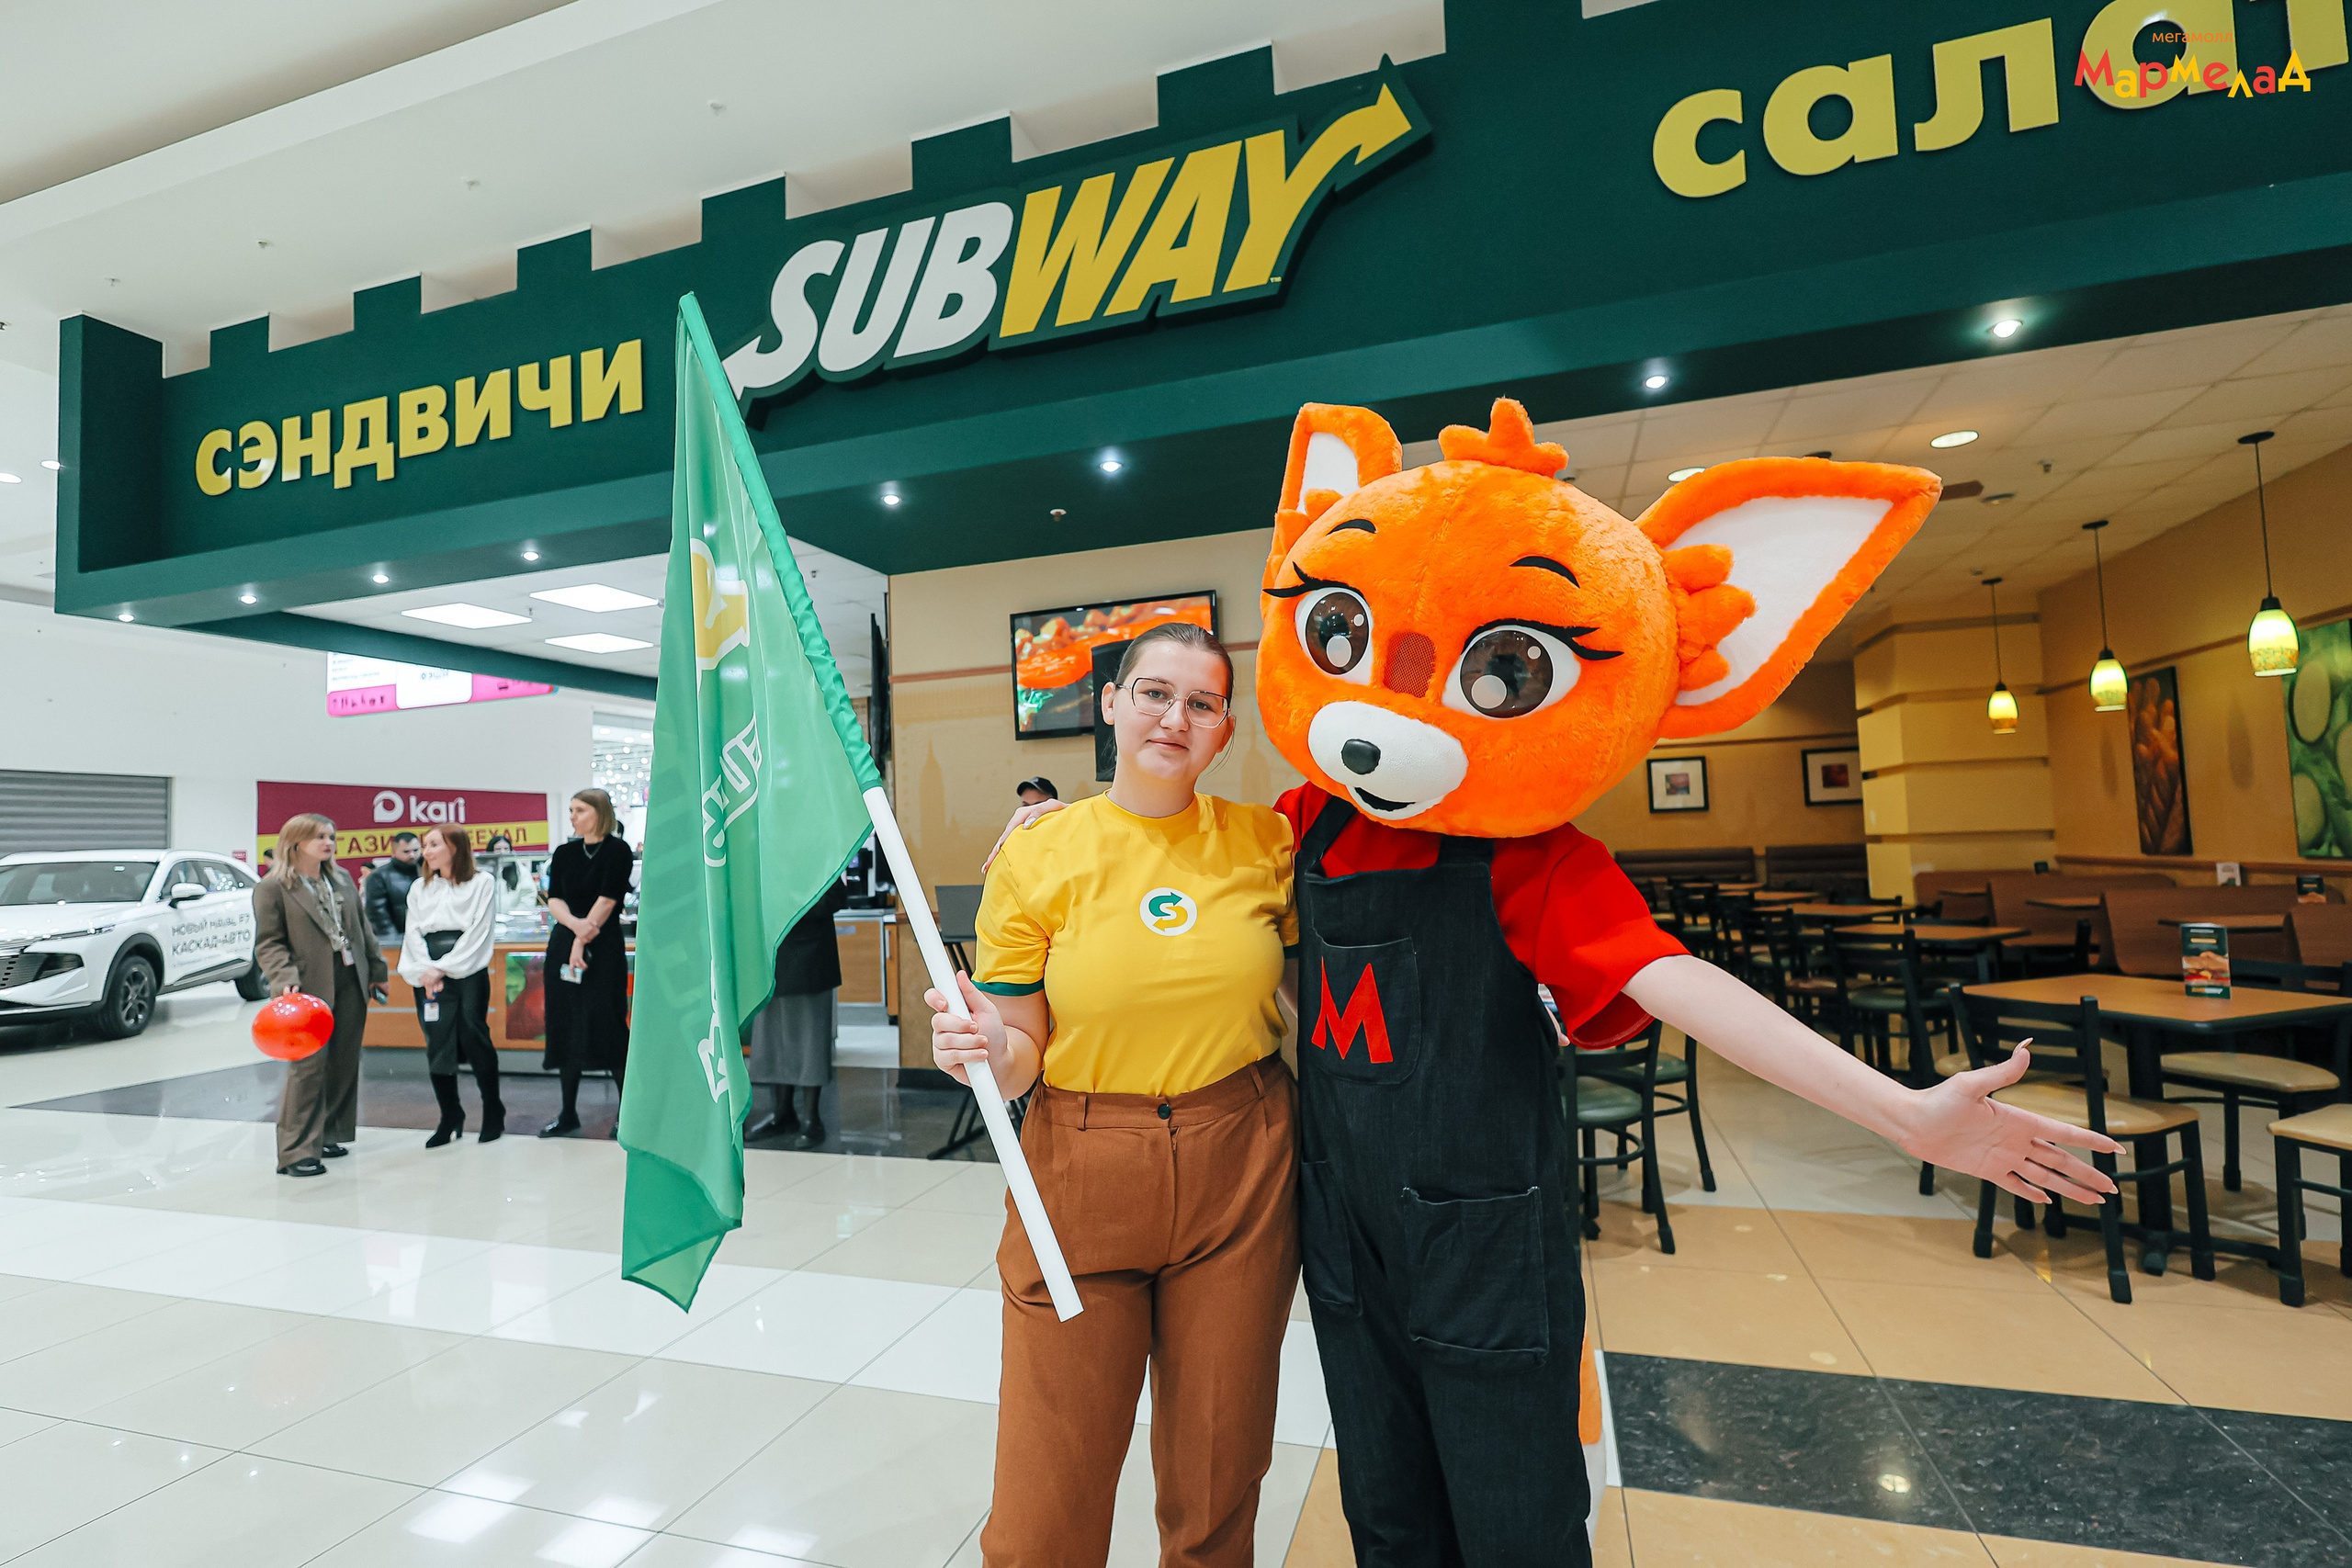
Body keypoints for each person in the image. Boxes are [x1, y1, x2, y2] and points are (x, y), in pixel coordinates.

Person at [929, 621, 1299, 1568]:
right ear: (1109, 705)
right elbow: (1020, 1052)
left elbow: (1315, 994)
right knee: (1047, 1499)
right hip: (1078, 1167)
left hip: (1242, 1167)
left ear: (1224, 730)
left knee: (1218, 1477)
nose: (1175, 718)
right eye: (1153, 693)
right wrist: (978, 1048)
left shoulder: (1266, 844)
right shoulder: (1039, 854)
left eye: (1202, 703)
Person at [252, 815, 386, 1178]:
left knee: (343, 1062)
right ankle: (295, 1152)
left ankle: (327, 1133)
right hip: (308, 985)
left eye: (331, 836)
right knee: (308, 1068)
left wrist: (376, 971)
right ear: (296, 842)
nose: (329, 843)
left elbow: (362, 931)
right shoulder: (273, 887)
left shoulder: (340, 879)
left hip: (349, 978)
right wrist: (283, 978)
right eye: (320, 837)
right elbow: (269, 942)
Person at [398, 825, 503, 1147]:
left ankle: (493, 1111)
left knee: (474, 1036)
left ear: (455, 847)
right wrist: (426, 971)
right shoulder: (419, 888)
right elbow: (412, 932)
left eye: (432, 844)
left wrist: (443, 968)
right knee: (437, 1041)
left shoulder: (482, 882)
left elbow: (479, 932)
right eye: (423, 846)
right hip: (426, 970)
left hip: (467, 969)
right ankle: (450, 1115)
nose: (425, 852)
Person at [539, 787, 634, 1136]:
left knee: (608, 1023)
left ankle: (627, 1113)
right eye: (571, 810)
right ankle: (567, 1112)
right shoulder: (564, 852)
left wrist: (582, 937)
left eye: (580, 810)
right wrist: (576, 929)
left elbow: (609, 900)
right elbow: (555, 900)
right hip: (565, 939)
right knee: (565, 1023)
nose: (573, 816)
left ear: (598, 812)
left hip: (602, 946)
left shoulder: (618, 850)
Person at [745, 875, 851, 1146]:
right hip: (770, 957)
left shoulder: (819, 851)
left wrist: (792, 904)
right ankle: (782, 1114)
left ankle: (812, 1120)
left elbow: (836, 897)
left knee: (809, 1042)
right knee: (772, 1041)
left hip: (810, 956)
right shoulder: (763, 850)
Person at [363, 831, 422, 943]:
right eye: (406, 851)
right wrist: (393, 941)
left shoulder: (430, 872)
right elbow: (378, 916)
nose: (412, 855)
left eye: (416, 850)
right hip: (398, 939)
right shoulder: (378, 877)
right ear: (394, 851)